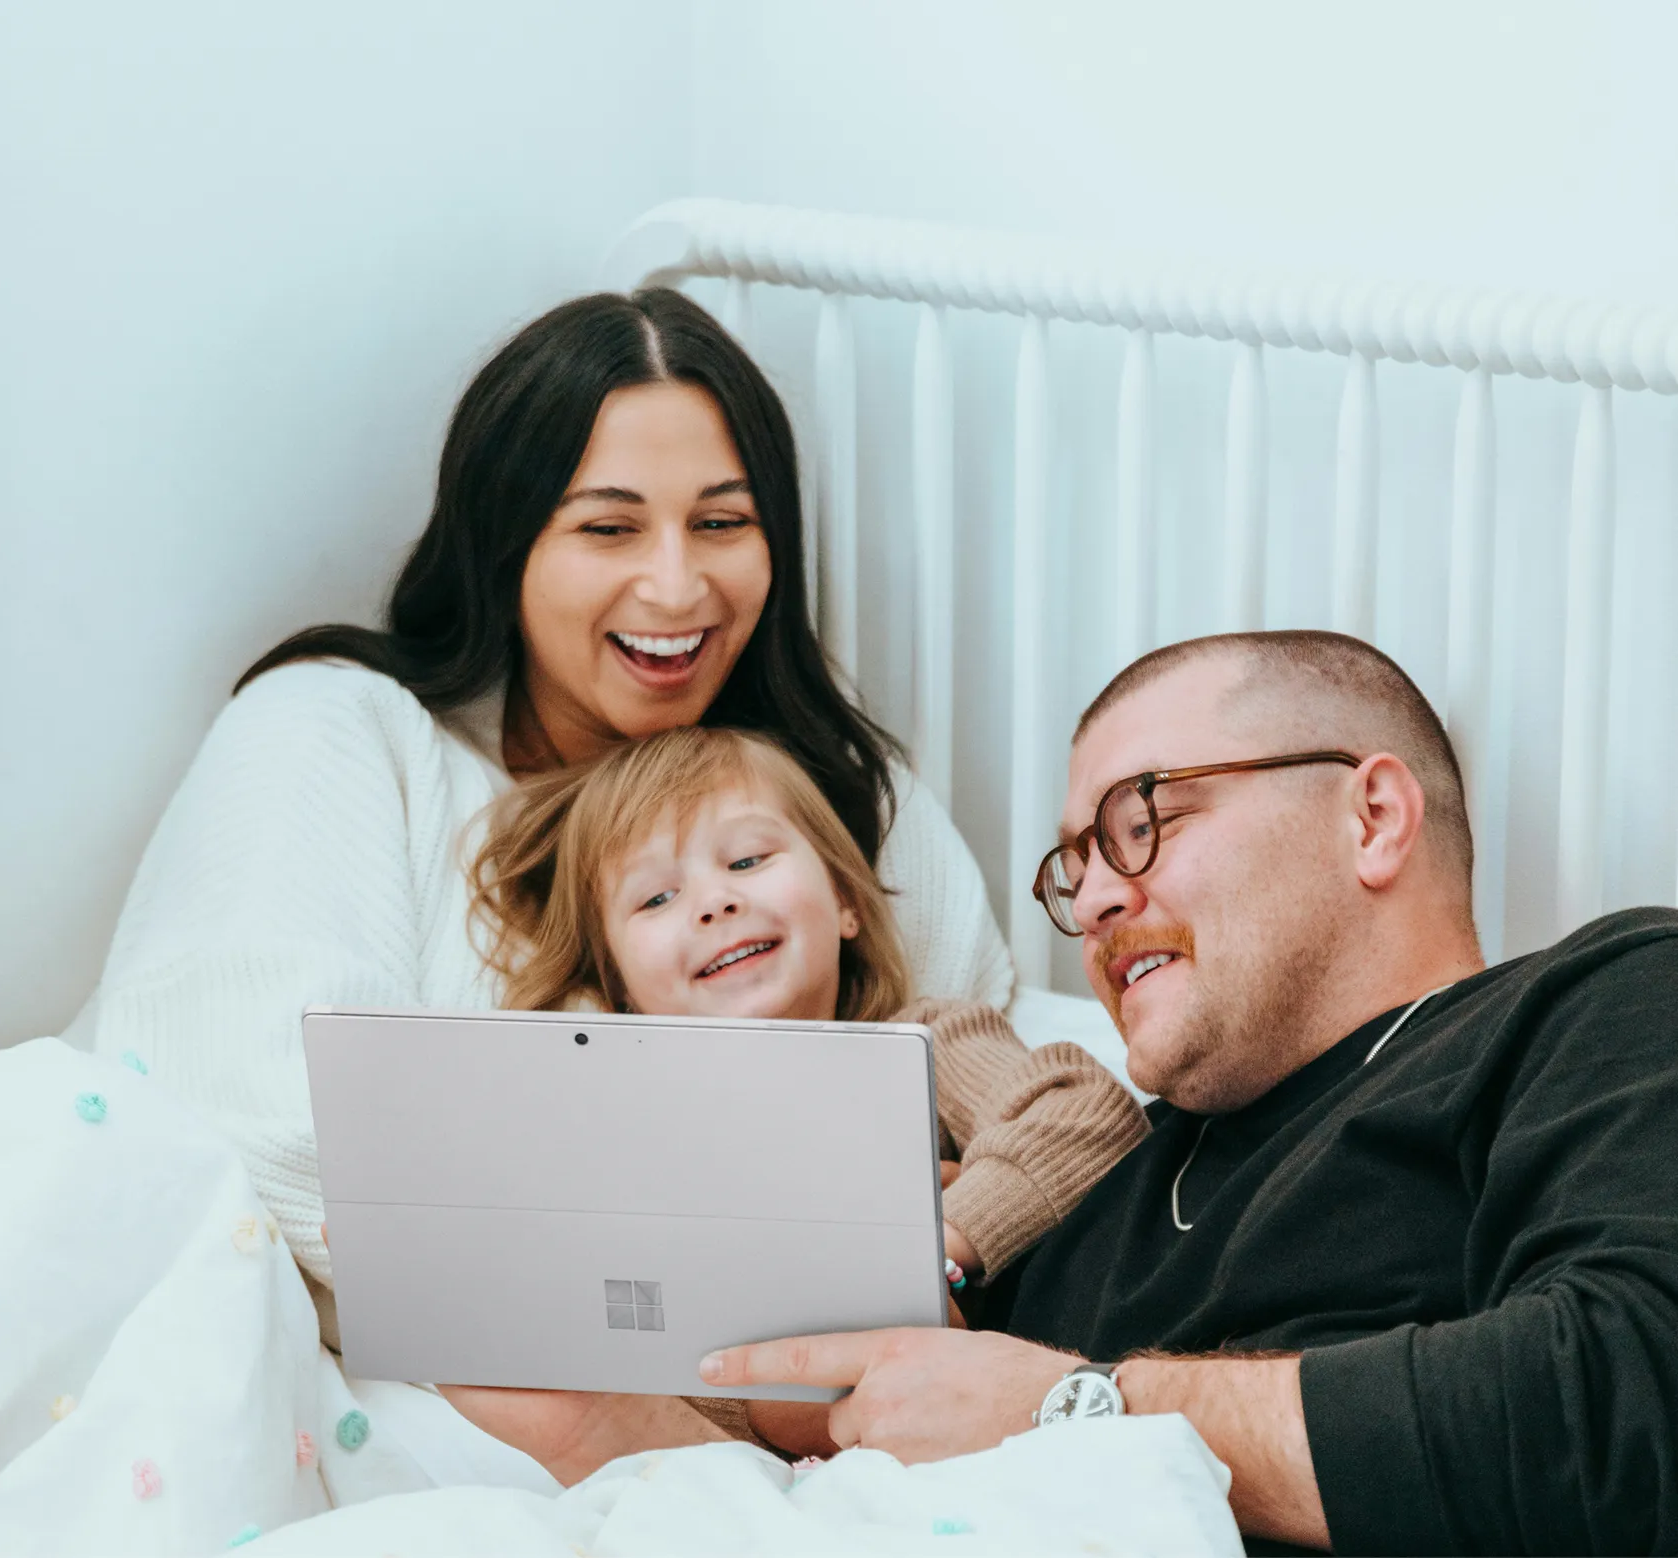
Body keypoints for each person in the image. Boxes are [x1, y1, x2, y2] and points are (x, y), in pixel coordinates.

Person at [524, 631, 1678, 1557]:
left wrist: (1075, 1410)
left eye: (1142, 824)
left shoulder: (1598, 1001)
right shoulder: (1102, 1194)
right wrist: (588, 1408)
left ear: (1370, 816)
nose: (1099, 899)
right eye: (1075, 871)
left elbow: (1628, 1416)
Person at [87, 290, 1013, 1319]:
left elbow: (989, 1094)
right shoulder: (339, 732)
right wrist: (735, 1232)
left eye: (722, 522)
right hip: (277, 1311)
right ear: (507, 544)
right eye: (609, 527)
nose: (676, 586)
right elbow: (267, 1116)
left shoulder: (849, 801)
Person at [443, 725, 1145, 1455]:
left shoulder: (920, 1041)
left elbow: (1081, 1114)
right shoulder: (630, 1136)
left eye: (746, 859)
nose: (713, 903)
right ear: (618, 989)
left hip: (956, 1415)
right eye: (655, 899)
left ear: (844, 900)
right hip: (736, 1442)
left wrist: (932, 1241)